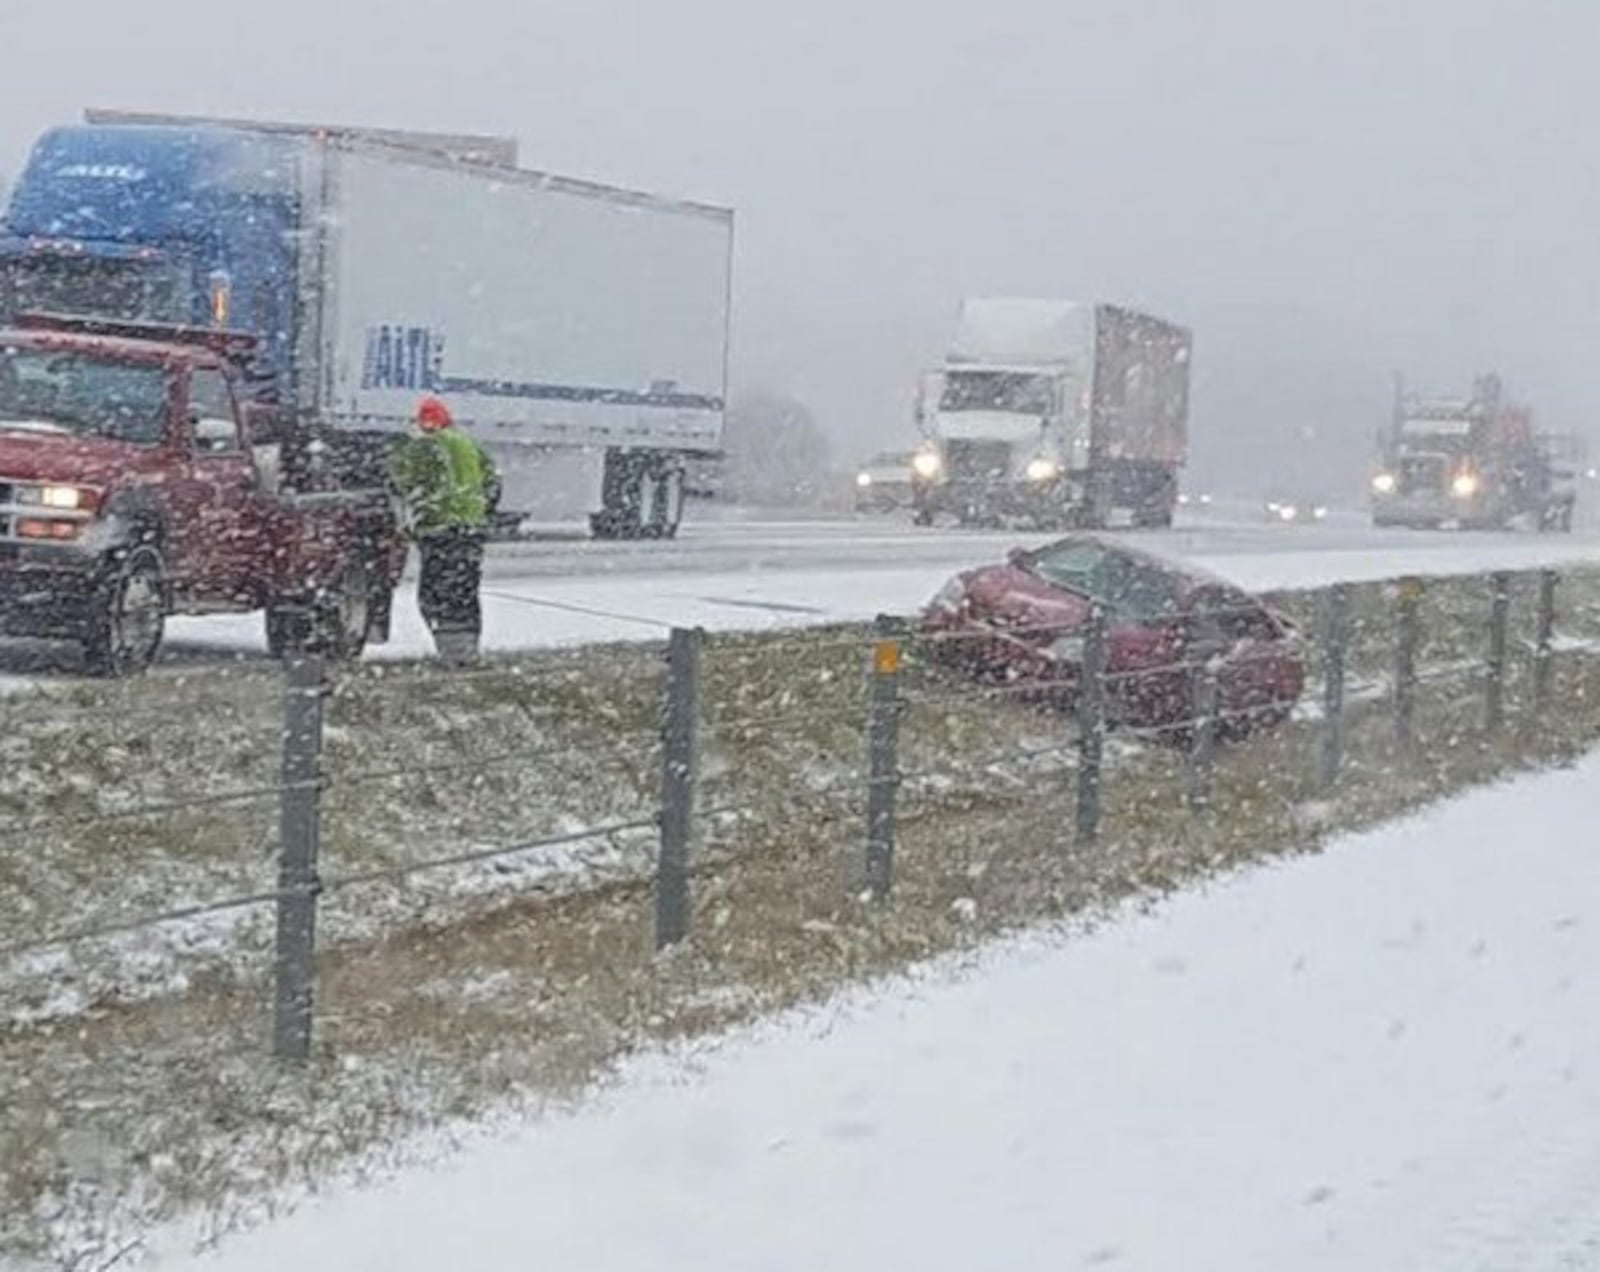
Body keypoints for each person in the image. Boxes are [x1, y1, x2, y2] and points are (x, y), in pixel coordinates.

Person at [388, 396, 500, 664]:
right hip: (470, 529)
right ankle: (468, 648)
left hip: (439, 529)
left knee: (435, 592)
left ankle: (452, 650)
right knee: (465, 590)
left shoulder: (425, 447)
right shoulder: (468, 444)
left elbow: (401, 479)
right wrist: (480, 514)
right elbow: (493, 481)